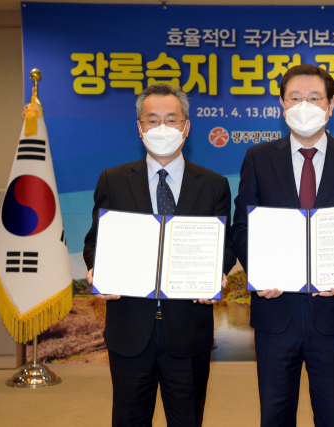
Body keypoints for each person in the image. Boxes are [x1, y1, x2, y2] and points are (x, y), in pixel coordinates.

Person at [232, 64, 334, 427]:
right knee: (274, 416)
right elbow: (242, 227)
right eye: (295, 98)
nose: (304, 106)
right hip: (275, 312)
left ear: (331, 104)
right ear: (282, 104)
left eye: (314, 98)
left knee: (332, 417)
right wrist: (260, 271)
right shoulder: (258, 158)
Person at [83, 83, 235, 427]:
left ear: (186, 126)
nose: (162, 128)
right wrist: (97, 268)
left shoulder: (214, 184)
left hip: (188, 329)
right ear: (140, 127)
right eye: (152, 120)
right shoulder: (113, 180)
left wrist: (218, 272)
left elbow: (224, 244)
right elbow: (95, 241)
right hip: (129, 328)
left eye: (171, 119)